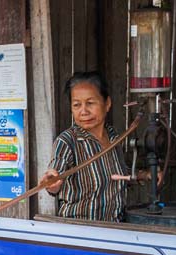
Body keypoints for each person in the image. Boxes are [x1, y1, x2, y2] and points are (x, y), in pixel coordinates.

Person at [38, 71, 129, 222]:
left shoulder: (114, 137)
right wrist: (51, 182)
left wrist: (146, 175)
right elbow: (55, 174)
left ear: (107, 103)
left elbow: (121, 175)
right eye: (77, 105)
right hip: (79, 233)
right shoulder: (68, 141)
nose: (84, 111)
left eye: (90, 103)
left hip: (115, 230)